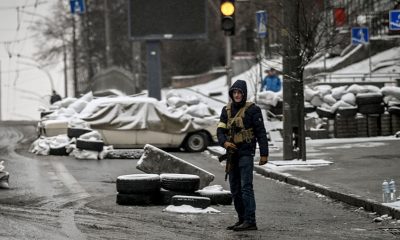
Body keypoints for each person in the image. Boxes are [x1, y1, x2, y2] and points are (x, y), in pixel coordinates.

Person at [217, 79, 269, 231]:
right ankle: (241, 219)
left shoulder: (253, 109)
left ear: (244, 94)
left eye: (240, 92)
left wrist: (264, 154)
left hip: (246, 152)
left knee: (246, 187)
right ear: (231, 93)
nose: (237, 95)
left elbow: (260, 133)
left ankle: (250, 221)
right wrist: (224, 143)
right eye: (235, 92)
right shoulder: (226, 110)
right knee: (235, 189)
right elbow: (220, 131)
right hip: (232, 154)